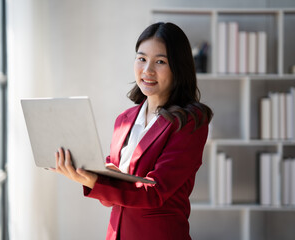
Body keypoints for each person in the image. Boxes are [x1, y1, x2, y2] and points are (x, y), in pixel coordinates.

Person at [52, 22, 213, 240]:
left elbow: (154, 192)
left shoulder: (190, 122)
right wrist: (90, 174)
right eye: (142, 58)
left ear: (179, 67)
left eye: (160, 61)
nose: (148, 70)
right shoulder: (124, 120)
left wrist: (94, 181)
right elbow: (109, 198)